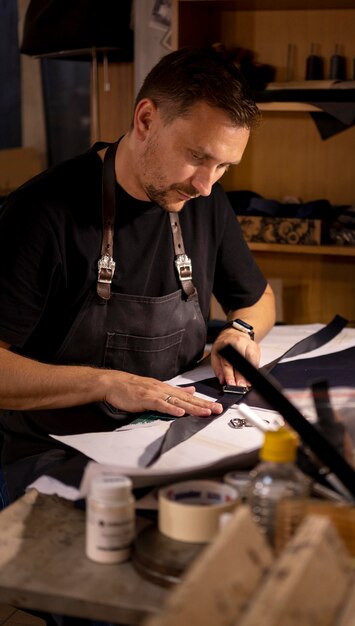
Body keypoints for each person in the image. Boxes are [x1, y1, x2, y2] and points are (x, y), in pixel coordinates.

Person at [0, 46, 276, 501]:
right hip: (55, 451)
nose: (206, 185)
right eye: (196, 156)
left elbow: (259, 299)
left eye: (223, 166)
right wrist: (106, 383)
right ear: (145, 120)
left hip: (166, 435)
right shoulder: (42, 212)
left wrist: (240, 331)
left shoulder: (203, 200)